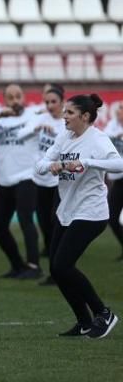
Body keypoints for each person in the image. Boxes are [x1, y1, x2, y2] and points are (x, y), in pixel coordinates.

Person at [36, 94, 123, 339]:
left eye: (69, 113)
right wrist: (53, 166)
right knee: (56, 269)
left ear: (85, 117)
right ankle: (84, 321)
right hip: (67, 211)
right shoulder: (64, 137)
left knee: (63, 265)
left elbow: (119, 164)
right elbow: (40, 165)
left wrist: (87, 162)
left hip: (92, 213)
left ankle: (103, 313)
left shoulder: (98, 139)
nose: (64, 117)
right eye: (64, 112)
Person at [0, 84, 43, 280]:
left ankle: (34, 265)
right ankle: (17, 265)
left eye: (18, 96)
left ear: (24, 97)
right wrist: (0, 114)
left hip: (27, 176)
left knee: (25, 219)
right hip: (4, 180)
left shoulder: (33, 113)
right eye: (10, 97)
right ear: (4, 99)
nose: (14, 101)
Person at [18, 85, 66, 280]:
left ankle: (58, 270)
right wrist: (36, 128)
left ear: (62, 102)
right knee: (45, 225)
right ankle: (54, 269)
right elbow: (21, 135)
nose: (50, 105)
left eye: (54, 101)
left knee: (56, 225)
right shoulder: (40, 118)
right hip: (39, 180)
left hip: (57, 183)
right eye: (47, 102)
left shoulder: (66, 123)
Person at [104, 106, 123, 257]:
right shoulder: (113, 125)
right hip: (118, 179)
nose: (119, 111)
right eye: (119, 108)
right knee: (112, 217)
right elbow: (106, 136)